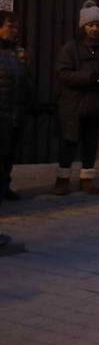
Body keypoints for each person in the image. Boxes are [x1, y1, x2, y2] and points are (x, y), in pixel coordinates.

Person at [52, 1, 99, 195]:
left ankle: (87, 179)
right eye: (91, 25)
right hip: (74, 103)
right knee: (69, 141)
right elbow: (63, 73)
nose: (94, 29)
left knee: (91, 141)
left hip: (97, 103)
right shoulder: (71, 48)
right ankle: (62, 179)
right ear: (83, 26)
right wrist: (89, 77)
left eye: (98, 25)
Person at [0, 11, 33, 202]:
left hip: (14, 112)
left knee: (9, 153)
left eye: (16, 27)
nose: (14, 30)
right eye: (10, 26)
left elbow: (27, 79)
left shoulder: (18, 52)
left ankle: (4, 186)